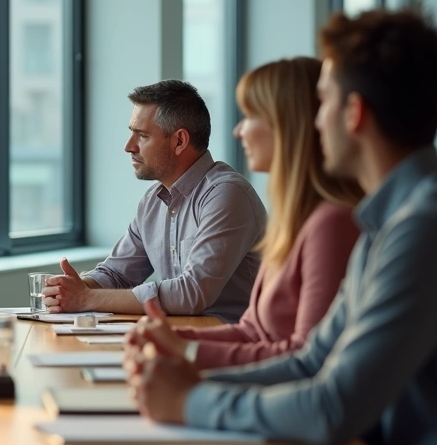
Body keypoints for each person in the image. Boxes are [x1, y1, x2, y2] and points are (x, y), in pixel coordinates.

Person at [128, 8, 437, 444]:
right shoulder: (393, 223)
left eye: (325, 101)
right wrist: (187, 376)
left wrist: (188, 402)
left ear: (354, 113)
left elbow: (333, 408)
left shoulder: (427, 231)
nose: (314, 122)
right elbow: (311, 362)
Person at [128, 58, 362, 369]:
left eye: (250, 116)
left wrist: (189, 365)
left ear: (288, 126)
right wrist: (173, 342)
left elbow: (308, 362)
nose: (239, 131)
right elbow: (255, 332)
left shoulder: (330, 224)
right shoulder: (296, 221)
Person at [43, 80, 265, 322]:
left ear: (179, 141)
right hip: (180, 342)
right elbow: (117, 274)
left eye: (142, 135)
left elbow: (192, 293)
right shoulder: (153, 201)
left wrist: (85, 298)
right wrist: (74, 287)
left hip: (233, 347)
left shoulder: (226, 194)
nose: (129, 147)